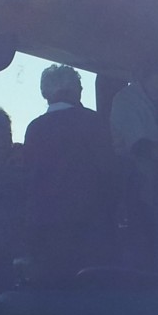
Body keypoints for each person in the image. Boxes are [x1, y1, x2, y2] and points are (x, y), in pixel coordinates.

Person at [22, 64, 116, 281]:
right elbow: (109, 171)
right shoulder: (94, 122)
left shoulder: (34, 128)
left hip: (43, 228)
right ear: (77, 90)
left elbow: (28, 176)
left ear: (45, 94)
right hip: (89, 228)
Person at [108, 69, 158, 265]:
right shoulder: (125, 100)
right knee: (141, 245)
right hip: (133, 186)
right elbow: (139, 146)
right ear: (144, 74)